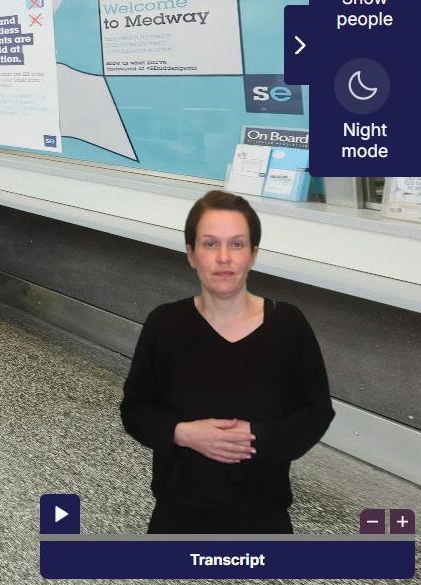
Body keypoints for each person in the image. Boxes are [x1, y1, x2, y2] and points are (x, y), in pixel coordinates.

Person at [119, 190, 333, 534]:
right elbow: (135, 409)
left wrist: (257, 437)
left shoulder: (288, 325)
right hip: (179, 511)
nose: (223, 258)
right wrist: (182, 434)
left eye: (236, 244)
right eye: (209, 244)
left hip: (263, 514)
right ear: (191, 254)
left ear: (253, 254)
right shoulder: (165, 324)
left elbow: (316, 412)